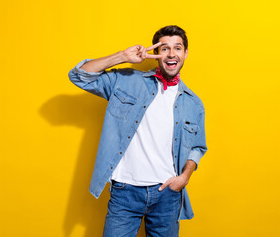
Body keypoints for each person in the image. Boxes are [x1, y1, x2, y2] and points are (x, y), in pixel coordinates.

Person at [69, 25, 207, 237]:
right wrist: (122, 56)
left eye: (177, 48)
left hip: (168, 194)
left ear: (185, 53)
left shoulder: (193, 103)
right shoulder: (126, 81)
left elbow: (197, 147)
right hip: (125, 191)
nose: (171, 54)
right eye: (165, 48)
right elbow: (79, 76)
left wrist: (185, 177)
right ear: (156, 53)